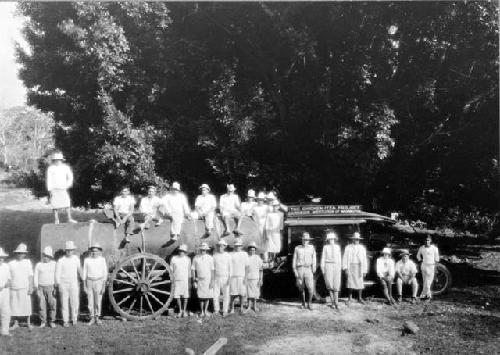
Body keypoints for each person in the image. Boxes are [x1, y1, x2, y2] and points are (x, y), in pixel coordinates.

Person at [46, 151, 77, 224]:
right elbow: (49, 179)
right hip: (54, 188)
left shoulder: (65, 167)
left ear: (61, 160)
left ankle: (69, 218)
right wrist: (50, 189)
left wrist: (67, 185)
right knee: (55, 204)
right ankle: (56, 220)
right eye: (56, 160)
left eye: (59, 160)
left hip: (63, 188)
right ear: (54, 160)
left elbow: (70, 177)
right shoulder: (51, 168)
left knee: (67, 203)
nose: (57, 161)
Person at [55, 241, 81, 327]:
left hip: (73, 282)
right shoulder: (61, 260)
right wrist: (58, 284)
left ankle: (74, 319)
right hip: (63, 283)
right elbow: (57, 274)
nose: (69, 252)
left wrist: (84, 279)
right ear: (66, 251)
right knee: (64, 302)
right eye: (68, 250)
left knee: (75, 302)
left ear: (73, 250)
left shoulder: (76, 259)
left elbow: (79, 270)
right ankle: (65, 320)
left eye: (71, 250)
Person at [9, 243, 34, 330]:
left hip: (24, 287)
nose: (20, 255)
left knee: (26, 306)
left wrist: (31, 287)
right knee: (14, 306)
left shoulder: (28, 262)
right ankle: (15, 323)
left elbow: (30, 276)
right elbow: (9, 277)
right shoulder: (11, 263)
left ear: (25, 254)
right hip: (14, 287)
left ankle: (28, 323)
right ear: (16, 253)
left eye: (22, 253)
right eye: (19, 253)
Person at [82, 243, 108, 325]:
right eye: (93, 251)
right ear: (90, 251)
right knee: (90, 301)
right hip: (89, 281)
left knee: (98, 301)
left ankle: (97, 317)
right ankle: (92, 318)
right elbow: (84, 273)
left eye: (96, 251)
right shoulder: (87, 260)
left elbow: (105, 273)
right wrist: (84, 285)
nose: (94, 253)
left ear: (99, 252)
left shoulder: (102, 260)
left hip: (99, 281)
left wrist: (103, 286)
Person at [292, 232, 316, 310]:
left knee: (311, 287)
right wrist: (295, 270)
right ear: (302, 240)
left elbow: (314, 258)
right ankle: (303, 303)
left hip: (308, 268)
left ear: (309, 240)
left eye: (307, 240)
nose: (305, 241)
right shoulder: (297, 248)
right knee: (301, 287)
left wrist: (314, 267)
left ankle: (310, 303)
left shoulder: (312, 248)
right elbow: (294, 260)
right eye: (304, 239)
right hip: (300, 269)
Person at [34, 246, 57, 328]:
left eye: (48, 256)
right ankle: (43, 321)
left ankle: (52, 321)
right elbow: (36, 276)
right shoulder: (39, 265)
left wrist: (55, 287)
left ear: (50, 257)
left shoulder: (54, 264)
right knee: (41, 305)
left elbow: (56, 276)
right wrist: (36, 287)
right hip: (40, 287)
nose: (46, 258)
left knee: (52, 304)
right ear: (42, 256)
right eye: (44, 256)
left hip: (51, 287)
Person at [342, 232, 367, 305]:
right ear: (353, 239)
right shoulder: (348, 247)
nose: (356, 240)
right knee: (350, 282)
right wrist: (346, 268)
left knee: (360, 282)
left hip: (359, 266)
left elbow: (364, 259)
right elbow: (345, 258)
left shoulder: (362, 248)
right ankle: (350, 298)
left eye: (358, 239)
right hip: (351, 266)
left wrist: (364, 270)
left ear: (359, 240)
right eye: (355, 239)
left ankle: (360, 298)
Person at [320, 231, 342, 310]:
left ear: (334, 239)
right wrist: (322, 267)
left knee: (336, 284)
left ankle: (336, 303)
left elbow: (339, 258)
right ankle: (332, 302)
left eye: (332, 239)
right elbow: (323, 257)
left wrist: (340, 267)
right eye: (329, 239)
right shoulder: (325, 247)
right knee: (329, 284)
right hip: (328, 265)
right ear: (328, 240)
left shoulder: (337, 247)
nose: (331, 240)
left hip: (336, 265)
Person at [191, 243, 214, 317]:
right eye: (201, 249)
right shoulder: (196, 257)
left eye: (204, 250)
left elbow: (212, 270)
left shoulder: (210, 258)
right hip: (199, 279)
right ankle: (201, 311)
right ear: (200, 249)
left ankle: (206, 310)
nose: (203, 251)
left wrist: (212, 281)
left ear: (206, 250)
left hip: (208, 279)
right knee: (200, 297)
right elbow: (193, 269)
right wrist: (194, 280)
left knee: (207, 296)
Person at [211, 240, 232, 316]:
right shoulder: (214, 255)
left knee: (226, 294)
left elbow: (230, 268)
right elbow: (213, 268)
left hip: (226, 277)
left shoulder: (228, 255)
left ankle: (225, 310)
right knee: (215, 294)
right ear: (217, 247)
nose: (220, 247)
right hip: (216, 277)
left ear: (225, 247)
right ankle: (216, 310)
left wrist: (229, 278)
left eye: (222, 246)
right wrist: (212, 279)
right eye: (219, 246)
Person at [170, 244, 191, 317]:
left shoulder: (188, 259)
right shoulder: (174, 258)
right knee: (177, 295)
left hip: (185, 279)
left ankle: (184, 311)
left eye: (183, 251)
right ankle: (180, 310)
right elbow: (171, 270)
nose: (181, 252)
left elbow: (189, 271)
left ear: (185, 252)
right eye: (180, 251)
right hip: (176, 279)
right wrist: (172, 279)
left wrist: (189, 280)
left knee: (185, 296)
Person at [417, 235, 440, 300]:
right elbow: (418, 255)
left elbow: (437, 258)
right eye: (426, 240)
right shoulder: (422, 248)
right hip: (424, 265)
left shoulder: (434, 248)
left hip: (431, 266)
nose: (427, 242)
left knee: (428, 281)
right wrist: (420, 260)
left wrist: (435, 265)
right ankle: (427, 296)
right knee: (425, 280)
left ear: (430, 241)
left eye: (428, 240)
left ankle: (424, 295)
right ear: (424, 241)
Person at [229, 239, 248, 314]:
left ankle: (241, 308)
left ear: (241, 246)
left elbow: (246, 267)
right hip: (233, 276)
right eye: (236, 246)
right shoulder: (230, 254)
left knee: (242, 294)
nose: (237, 247)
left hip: (242, 276)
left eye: (239, 246)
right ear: (234, 246)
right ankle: (232, 308)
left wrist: (246, 278)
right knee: (232, 293)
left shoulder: (245, 254)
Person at [245, 242, 263, 312]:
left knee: (255, 293)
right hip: (248, 277)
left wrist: (261, 279)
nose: (252, 251)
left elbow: (261, 269)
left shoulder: (258, 258)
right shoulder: (246, 258)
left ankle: (254, 306)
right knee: (249, 293)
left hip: (256, 278)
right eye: (250, 250)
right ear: (248, 250)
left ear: (255, 251)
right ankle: (249, 306)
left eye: (253, 250)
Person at [0, 247, 11, 336]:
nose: (1, 259)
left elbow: (9, 279)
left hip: (5, 292)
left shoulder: (6, 266)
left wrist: (6, 284)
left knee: (6, 311)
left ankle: (5, 331)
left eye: (2, 257)